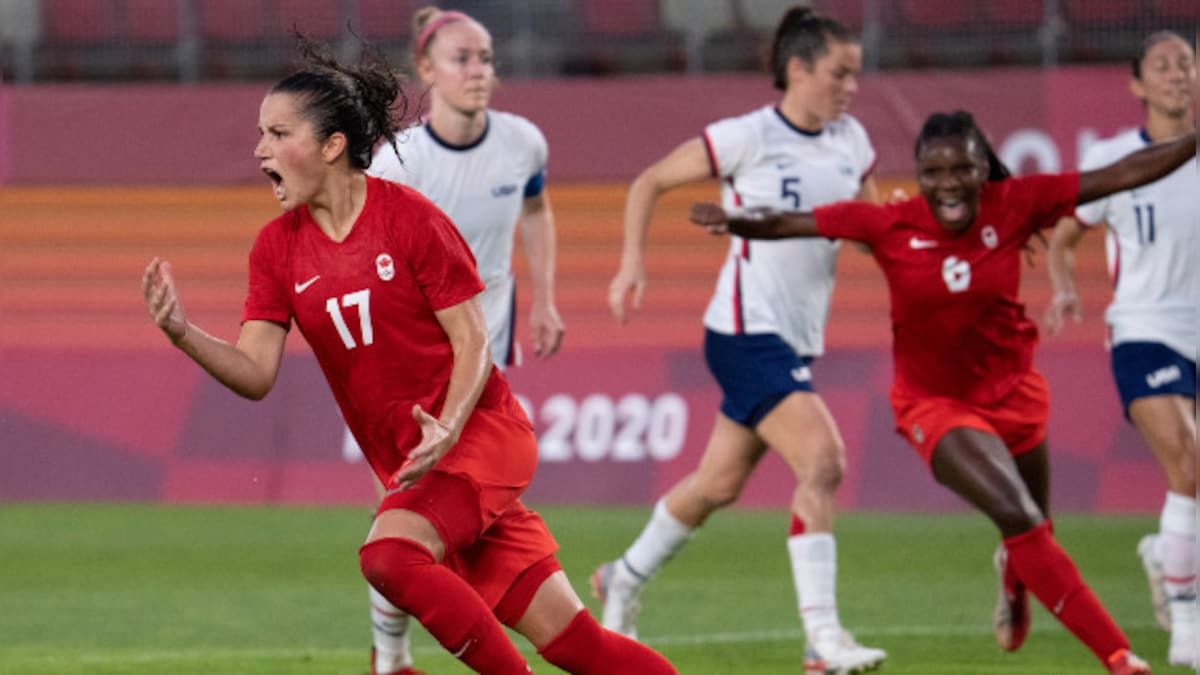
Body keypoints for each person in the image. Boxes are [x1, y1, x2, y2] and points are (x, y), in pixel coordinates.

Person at [141, 36, 675, 675]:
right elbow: (257, 374)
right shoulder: (274, 249)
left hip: (480, 436)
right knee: (578, 646)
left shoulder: (410, 220)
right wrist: (182, 332)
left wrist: (448, 426)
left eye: (276, 133)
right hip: (420, 466)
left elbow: (473, 339)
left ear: (332, 145)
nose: (258, 150)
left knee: (388, 557)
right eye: (260, 134)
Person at [690, 110, 1196, 675]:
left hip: (1016, 397)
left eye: (962, 168)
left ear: (984, 169)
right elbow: (789, 222)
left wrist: (1194, 140)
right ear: (920, 174)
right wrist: (733, 220)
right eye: (934, 171)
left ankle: (1015, 573)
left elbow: (1125, 171)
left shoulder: (1019, 202)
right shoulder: (889, 224)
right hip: (935, 405)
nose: (949, 182)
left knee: (1032, 528)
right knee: (1021, 516)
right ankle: (1120, 656)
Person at [596, 7, 887, 673]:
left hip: (794, 341)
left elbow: (875, 229)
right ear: (799, 69)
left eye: (856, 75)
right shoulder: (747, 136)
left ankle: (624, 576)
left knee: (717, 483)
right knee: (824, 461)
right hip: (743, 332)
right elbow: (650, 181)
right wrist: (631, 264)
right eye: (840, 73)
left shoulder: (852, 141)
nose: (850, 87)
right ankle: (823, 639)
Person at [360, 8, 565, 673]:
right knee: (401, 518)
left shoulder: (524, 143)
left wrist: (546, 297)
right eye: (461, 59)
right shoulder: (398, 162)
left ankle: (395, 655)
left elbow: (535, 208)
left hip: (484, 361)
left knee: (429, 518)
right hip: (410, 368)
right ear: (426, 71)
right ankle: (392, 653)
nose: (478, 71)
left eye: (485, 57)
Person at [1043, 31, 1197, 669]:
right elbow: (1063, 234)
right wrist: (1064, 291)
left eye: (1187, 63)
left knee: (1190, 480)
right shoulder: (1114, 159)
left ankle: (1167, 556)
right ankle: (1188, 627)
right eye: (1162, 66)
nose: (1178, 74)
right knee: (1188, 464)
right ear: (1136, 85)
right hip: (1142, 329)